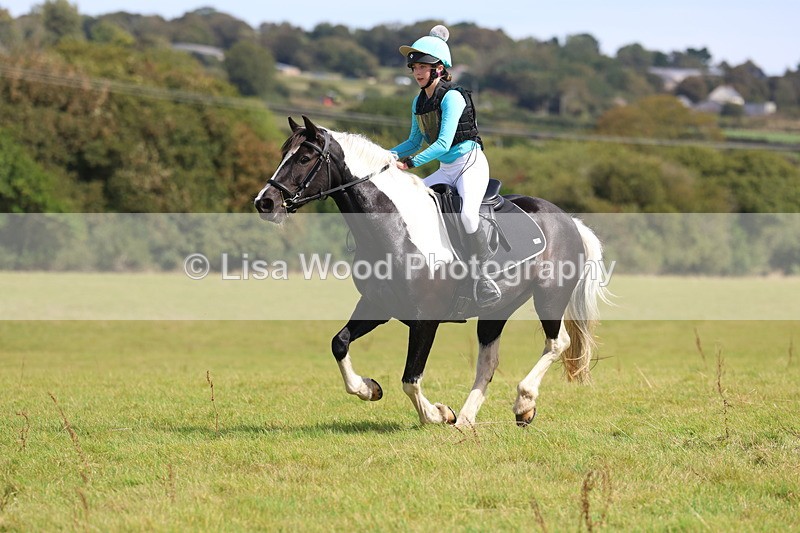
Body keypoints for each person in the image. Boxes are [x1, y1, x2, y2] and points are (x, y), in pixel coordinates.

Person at [391, 25, 501, 308]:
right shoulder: (418, 101)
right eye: (415, 67)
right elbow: (413, 141)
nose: (417, 72)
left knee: (467, 217)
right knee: (409, 206)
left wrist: (410, 164)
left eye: (423, 67)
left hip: (470, 165)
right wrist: (385, 156)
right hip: (445, 169)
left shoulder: (453, 96)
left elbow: (442, 143)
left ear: (439, 69)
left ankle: (484, 277)